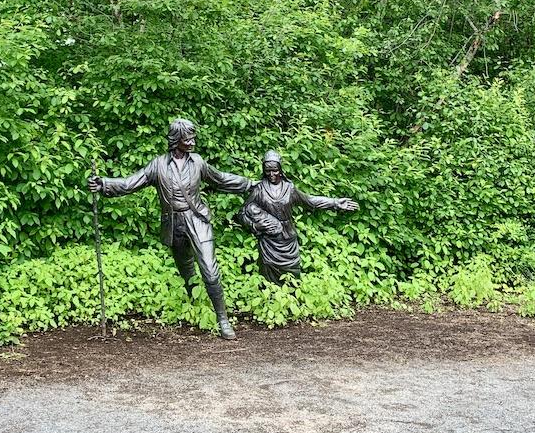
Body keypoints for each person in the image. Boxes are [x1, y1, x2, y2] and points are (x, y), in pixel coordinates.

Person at [88, 118, 252, 339]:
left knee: (210, 270)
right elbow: (130, 183)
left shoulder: (198, 162)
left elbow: (221, 179)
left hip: (197, 220)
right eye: (188, 138)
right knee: (186, 269)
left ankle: (222, 319)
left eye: (193, 137)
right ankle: (193, 303)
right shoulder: (157, 165)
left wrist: (249, 184)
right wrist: (104, 184)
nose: (192, 142)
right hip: (173, 224)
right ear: (177, 140)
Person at [234, 150, 358, 282]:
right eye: (267, 170)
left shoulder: (289, 188)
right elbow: (242, 213)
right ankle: (270, 298)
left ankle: (291, 297)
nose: (271, 174)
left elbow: (310, 201)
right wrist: (255, 225)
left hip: (288, 238)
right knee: (268, 271)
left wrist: (334, 202)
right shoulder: (259, 189)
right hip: (268, 241)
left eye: (275, 170)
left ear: (280, 169)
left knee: (292, 273)